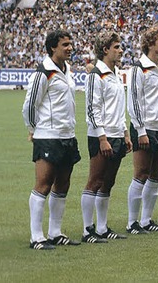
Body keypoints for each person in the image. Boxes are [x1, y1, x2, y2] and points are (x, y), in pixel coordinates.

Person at [23, 29, 81, 249]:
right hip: (48, 135)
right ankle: (36, 237)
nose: (69, 48)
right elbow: (30, 105)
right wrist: (33, 129)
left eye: (70, 44)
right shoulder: (43, 72)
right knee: (43, 185)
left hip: (67, 135)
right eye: (65, 44)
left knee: (62, 185)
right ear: (52, 48)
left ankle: (55, 232)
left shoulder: (67, 70)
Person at [81, 31, 131, 243]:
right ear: (105, 50)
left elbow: (118, 108)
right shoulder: (96, 75)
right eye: (117, 47)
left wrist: (126, 132)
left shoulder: (115, 73)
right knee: (95, 181)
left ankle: (102, 227)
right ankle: (87, 230)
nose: (121, 51)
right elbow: (92, 108)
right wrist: (102, 138)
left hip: (117, 134)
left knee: (108, 182)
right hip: (101, 135)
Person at [126, 26, 158, 234]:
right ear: (150, 44)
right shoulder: (139, 68)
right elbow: (134, 101)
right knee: (141, 174)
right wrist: (141, 129)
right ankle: (132, 222)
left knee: (156, 175)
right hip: (145, 128)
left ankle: (146, 220)